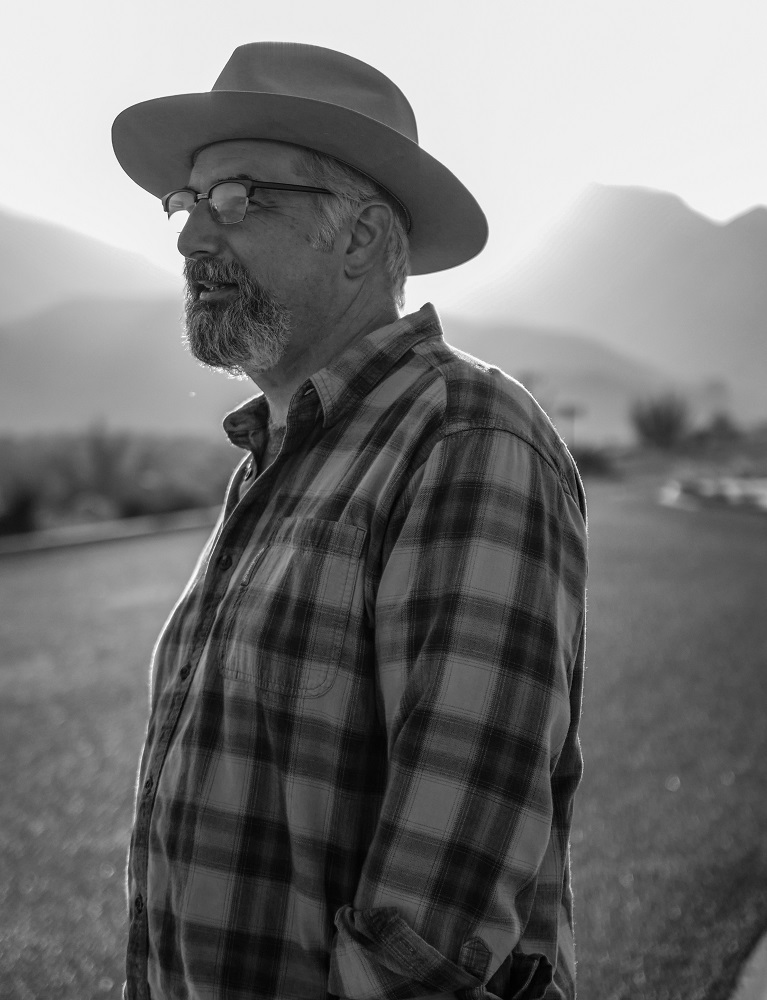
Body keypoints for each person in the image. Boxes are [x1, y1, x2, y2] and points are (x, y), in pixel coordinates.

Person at [111, 41, 588, 1000]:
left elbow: (439, 913)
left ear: (361, 238)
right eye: (187, 200)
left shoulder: (465, 436)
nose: (191, 237)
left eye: (237, 197)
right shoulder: (282, 455)